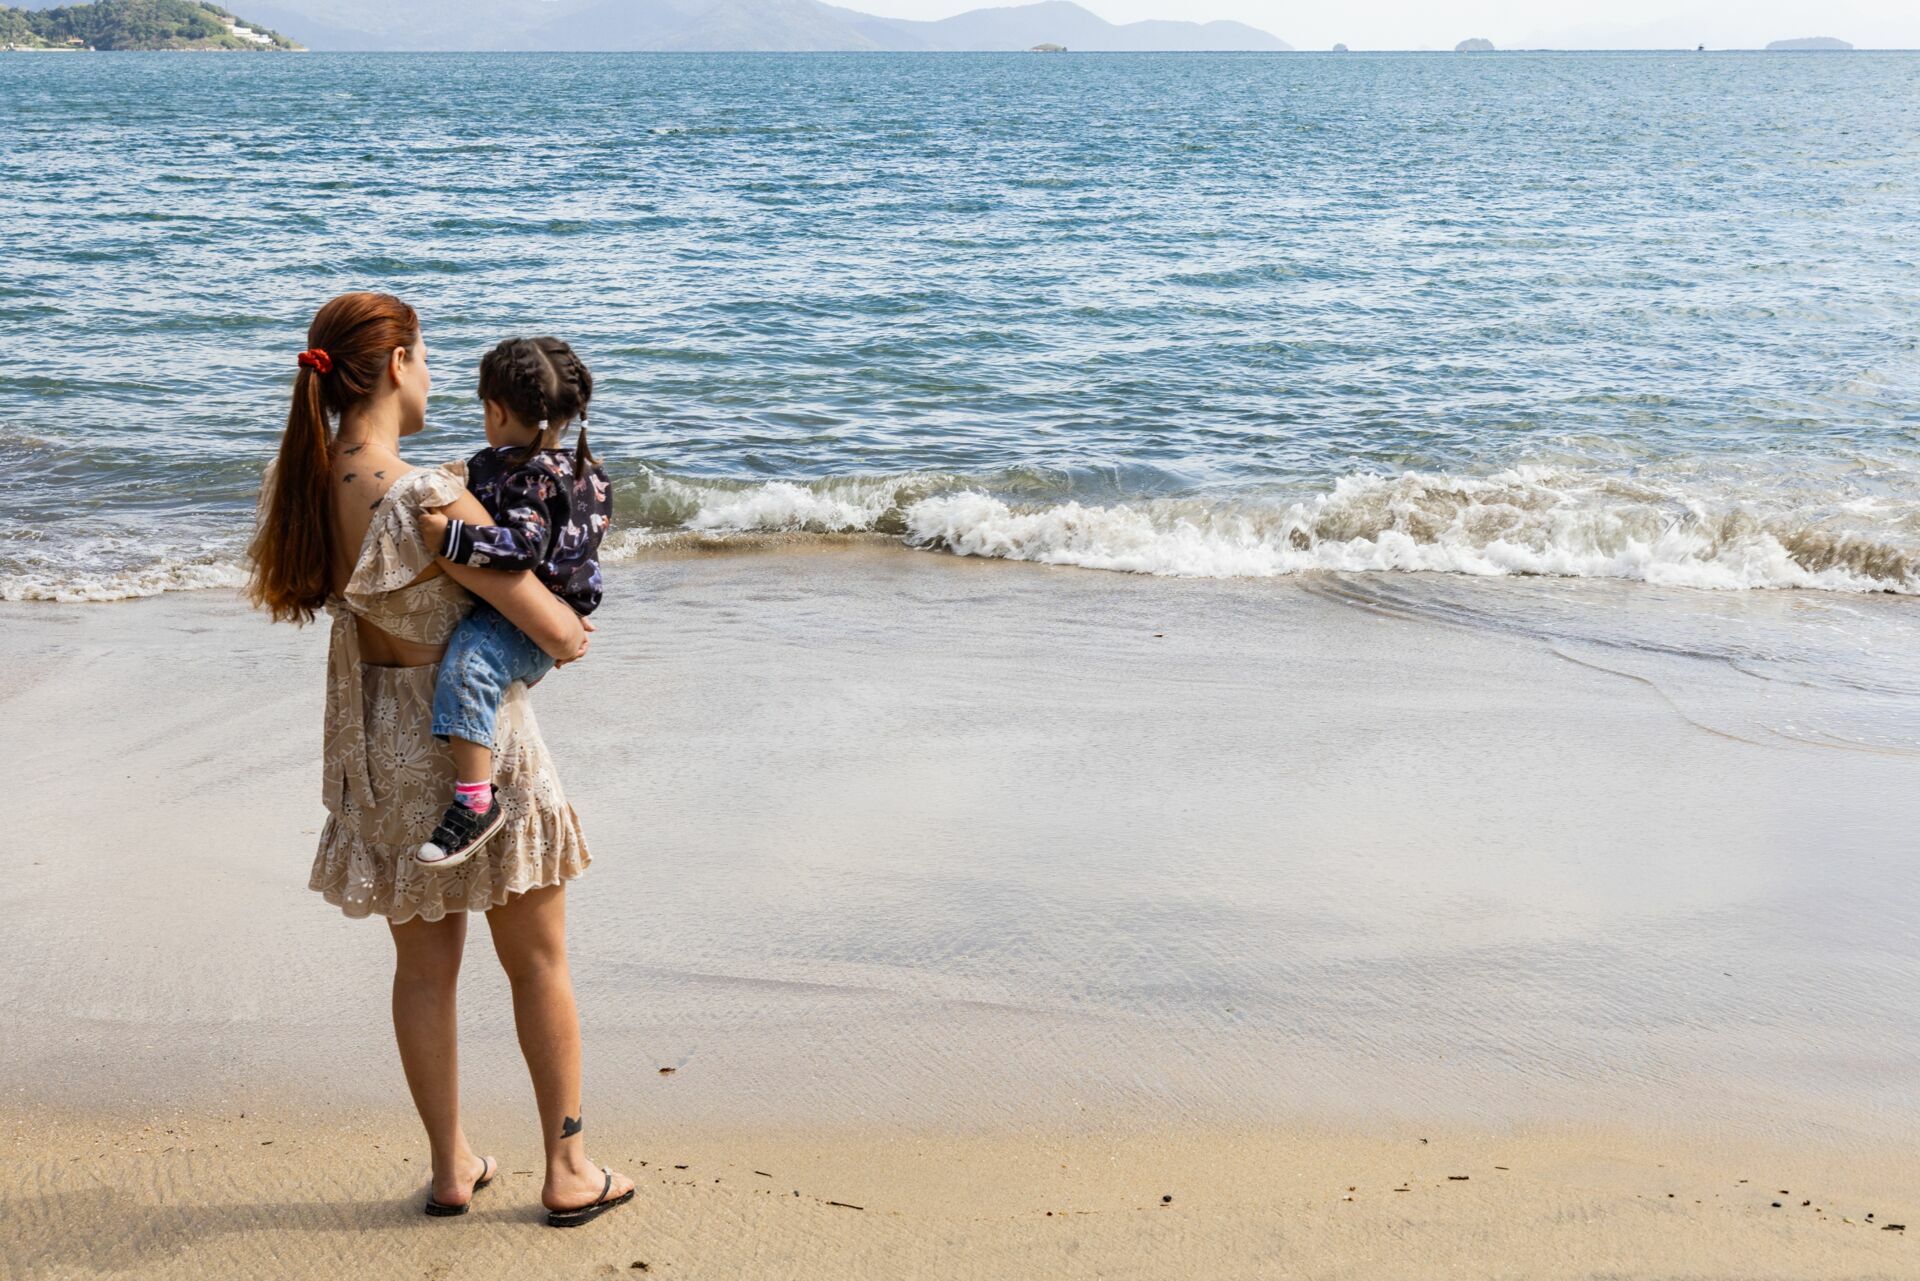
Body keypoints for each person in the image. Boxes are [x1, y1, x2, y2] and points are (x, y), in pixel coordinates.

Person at [247, 291, 635, 1228]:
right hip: (468, 748)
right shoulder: (424, 492)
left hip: (375, 748)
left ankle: (452, 1166)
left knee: (424, 972)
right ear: (397, 364)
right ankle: (568, 1168)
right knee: (538, 962)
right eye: (425, 358)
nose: (432, 377)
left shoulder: (306, 481)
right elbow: (556, 630)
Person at [413, 336, 613, 870]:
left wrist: (449, 537)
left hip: (525, 624)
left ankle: (476, 801)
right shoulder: (584, 471)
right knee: (477, 662)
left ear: (495, 409)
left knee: (469, 663)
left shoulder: (528, 478)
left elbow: (523, 547)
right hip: (553, 617)